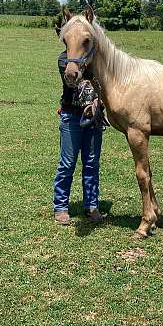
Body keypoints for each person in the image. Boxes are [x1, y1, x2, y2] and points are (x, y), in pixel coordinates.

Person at [53, 45, 106, 225]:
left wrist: (100, 100)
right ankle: (60, 207)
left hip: (94, 118)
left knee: (92, 163)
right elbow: (74, 82)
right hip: (72, 116)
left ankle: (91, 206)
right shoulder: (64, 60)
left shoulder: (98, 60)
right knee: (67, 163)